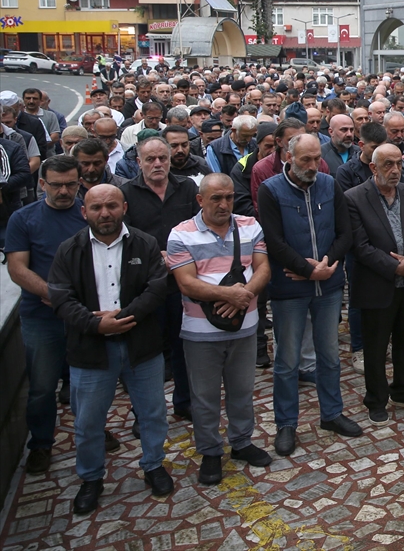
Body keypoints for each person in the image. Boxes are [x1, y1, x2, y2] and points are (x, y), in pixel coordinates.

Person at [47, 184, 172, 515]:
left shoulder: (144, 244)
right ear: (83, 211)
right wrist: (95, 324)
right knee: (88, 422)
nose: (105, 213)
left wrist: (124, 317)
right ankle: (91, 478)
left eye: (112, 206)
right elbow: (60, 296)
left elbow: (157, 286)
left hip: (140, 344)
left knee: (152, 412)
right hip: (90, 349)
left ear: (124, 207)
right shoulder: (69, 250)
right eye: (97, 207)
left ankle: (153, 464)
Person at [257, 133, 361, 456]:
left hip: (328, 285)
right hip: (290, 289)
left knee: (329, 356)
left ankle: (332, 413)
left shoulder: (329, 186)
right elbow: (273, 241)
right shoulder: (271, 190)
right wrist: (306, 269)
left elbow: (346, 232)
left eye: (317, 159)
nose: (313, 165)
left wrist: (328, 263)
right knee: (287, 361)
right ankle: (286, 424)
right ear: (288, 157)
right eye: (306, 160)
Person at [167, 174, 274, 485]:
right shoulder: (181, 234)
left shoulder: (250, 226)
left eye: (228, 197)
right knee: (205, 396)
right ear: (201, 200)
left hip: (246, 326)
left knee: (242, 391)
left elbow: (263, 267)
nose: (224, 204)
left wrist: (245, 296)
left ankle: (241, 442)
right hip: (201, 332)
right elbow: (186, 282)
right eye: (216, 198)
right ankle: (211, 450)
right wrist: (230, 295)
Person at [5, 156, 88, 475]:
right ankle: (40, 443)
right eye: (57, 185)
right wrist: (53, 295)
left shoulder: (89, 212)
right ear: (42, 184)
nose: (65, 191)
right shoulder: (23, 219)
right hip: (42, 316)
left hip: (82, 315)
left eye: (71, 184)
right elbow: (17, 268)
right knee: (41, 385)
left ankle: (92, 430)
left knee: (88, 381)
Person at [345, 143, 404, 422]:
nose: (395, 170)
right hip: (377, 285)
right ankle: (376, 399)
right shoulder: (354, 198)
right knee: (375, 347)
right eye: (388, 165)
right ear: (373, 167)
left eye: (398, 164)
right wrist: (396, 267)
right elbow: (360, 246)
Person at [121, 136, 202, 421]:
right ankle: (145, 411)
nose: (157, 164)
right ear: (139, 161)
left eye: (162, 158)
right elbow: (125, 237)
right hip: (145, 286)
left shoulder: (187, 187)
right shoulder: (127, 194)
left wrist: (180, 258)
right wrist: (157, 257)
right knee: (147, 353)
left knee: (185, 346)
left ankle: (185, 401)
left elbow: (198, 227)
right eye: (150, 159)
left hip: (183, 283)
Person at [336, 120, 386, 192]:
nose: (379, 151)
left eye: (383, 147)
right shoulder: (346, 171)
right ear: (361, 145)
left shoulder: (391, 166)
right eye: (374, 147)